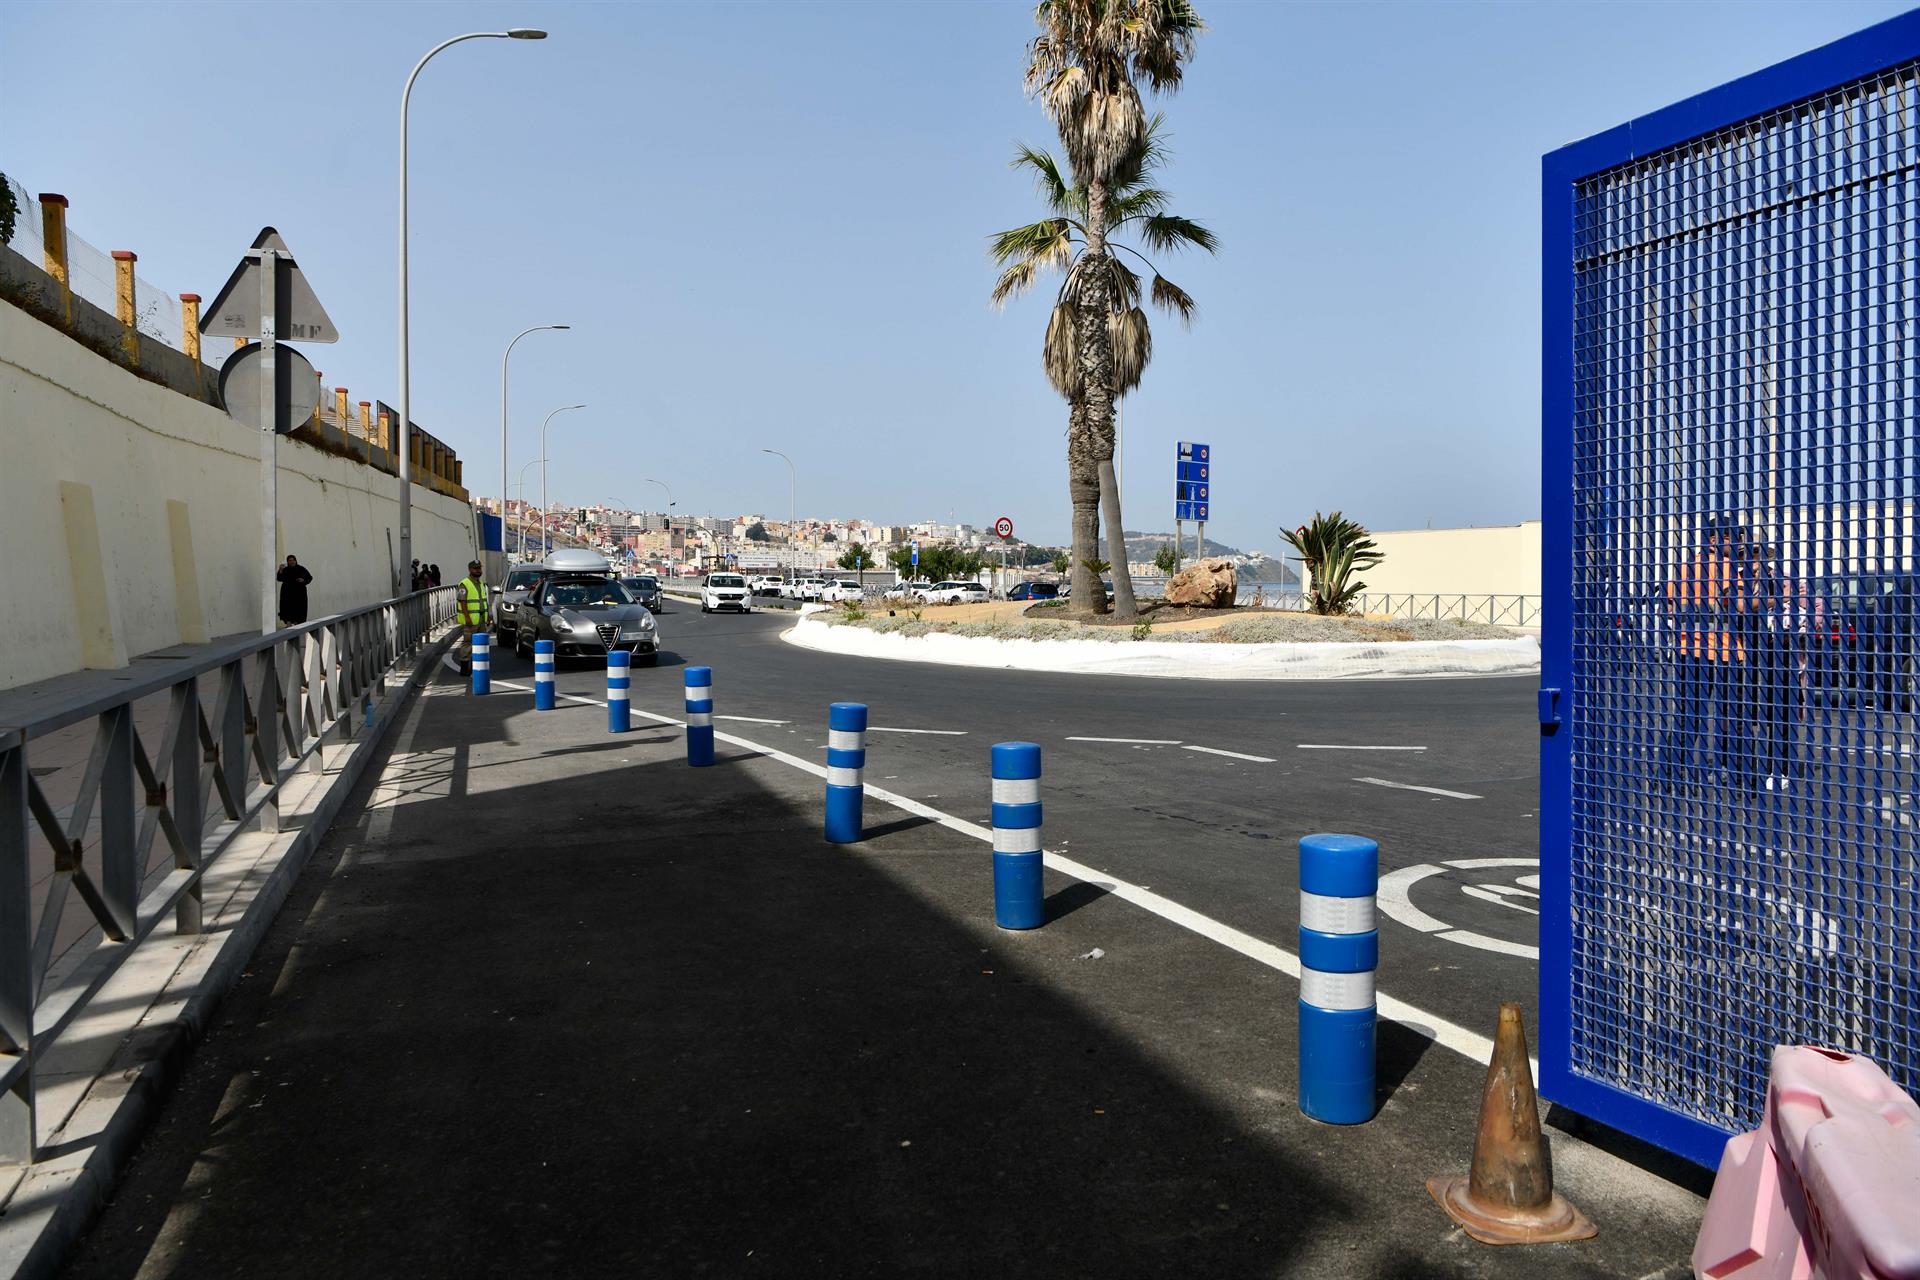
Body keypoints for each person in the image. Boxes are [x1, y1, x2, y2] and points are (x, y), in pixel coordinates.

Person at [1657, 517, 1761, 791]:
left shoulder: (1683, 569)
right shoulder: (1726, 567)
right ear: (1715, 540)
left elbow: (1668, 608)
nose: (1740, 544)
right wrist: (1772, 598)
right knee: (1732, 715)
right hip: (1724, 651)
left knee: (1689, 715)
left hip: (1688, 650)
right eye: (1735, 538)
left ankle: (1669, 773)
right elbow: (1740, 605)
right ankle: (1739, 774)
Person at [453, 559, 488, 678]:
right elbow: (462, 602)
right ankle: (464, 668)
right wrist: (467, 618)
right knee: (468, 643)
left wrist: (487, 617)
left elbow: (483, 601)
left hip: (481, 619)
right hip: (471, 620)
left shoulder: (480, 583)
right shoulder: (464, 583)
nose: (478, 570)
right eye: (475, 568)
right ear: (470, 570)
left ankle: (477, 667)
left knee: (481, 644)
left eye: (479, 568)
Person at [276, 554, 313, 627]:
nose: (292, 562)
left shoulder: (301, 569)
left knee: (299, 608)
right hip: (287, 593)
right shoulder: (285, 570)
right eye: (290, 560)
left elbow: (309, 578)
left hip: (299, 593)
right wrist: (280, 570)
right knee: (286, 608)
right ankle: (288, 623)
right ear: (287, 562)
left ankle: (297, 624)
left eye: (293, 560)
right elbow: (279, 578)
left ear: (296, 561)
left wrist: (303, 580)